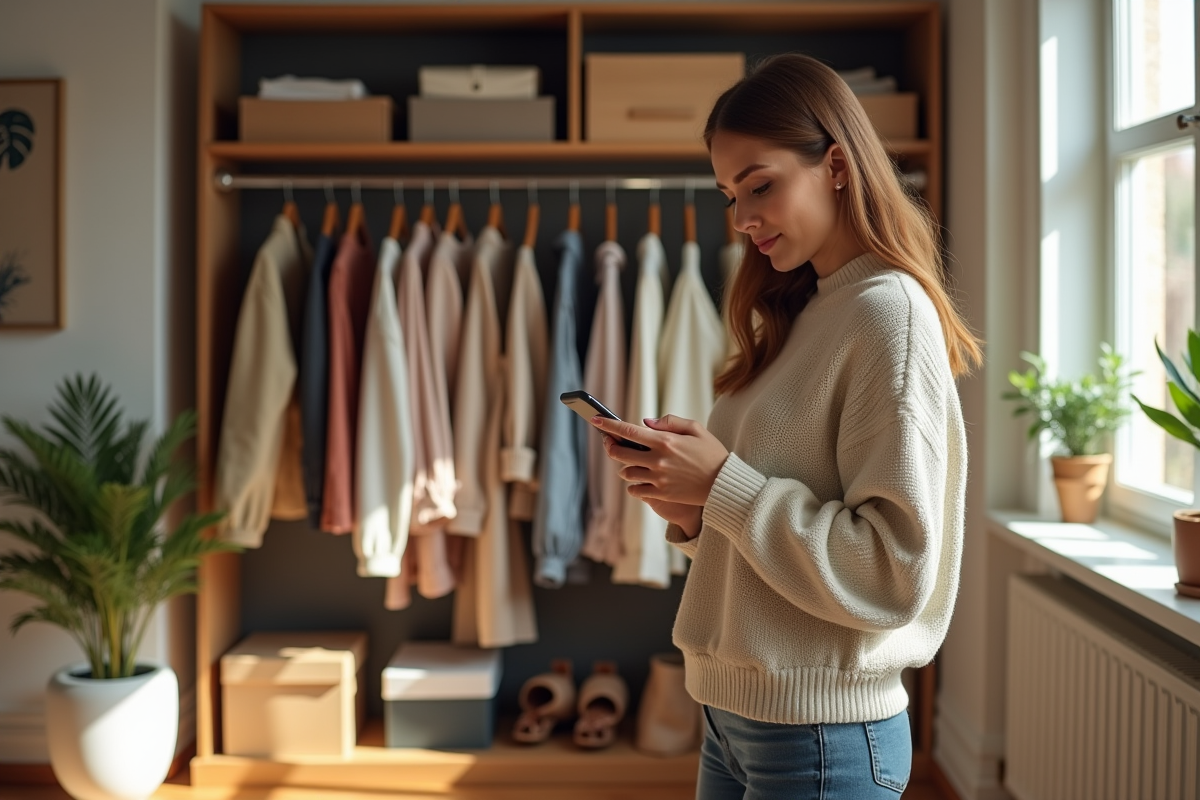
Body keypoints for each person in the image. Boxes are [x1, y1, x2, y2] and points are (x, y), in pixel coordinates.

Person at [590, 53, 981, 800]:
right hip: (736, 717)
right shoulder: (801, 310)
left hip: (822, 735)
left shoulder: (887, 312)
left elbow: (892, 572)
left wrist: (724, 486)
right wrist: (694, 510)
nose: (742, 219)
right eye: (730, 195)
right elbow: (776, 523)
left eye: (760, 185)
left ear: (836, 164)